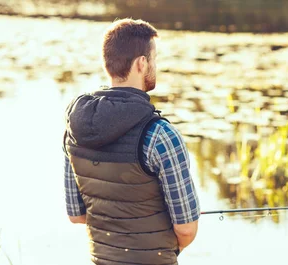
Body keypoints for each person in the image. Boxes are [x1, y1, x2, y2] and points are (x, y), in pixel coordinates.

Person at [62, 18, 200, 265]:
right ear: (141, 63)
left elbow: (76, 214)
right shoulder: (161, 136)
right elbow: (186, 229)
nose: (155, 66)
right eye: (154, 59)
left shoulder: (74, 129)